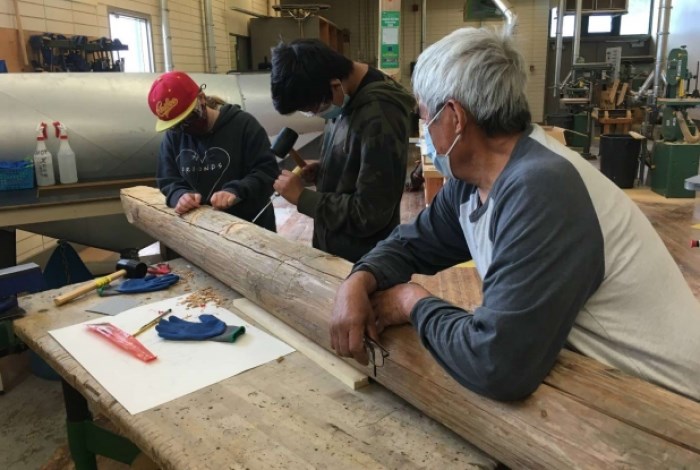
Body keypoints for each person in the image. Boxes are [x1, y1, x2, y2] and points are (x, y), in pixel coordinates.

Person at [330, 26, 700, 401]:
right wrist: (358, 280)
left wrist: (411, 302)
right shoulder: (472, 181)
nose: (423, 131)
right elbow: (412, 244)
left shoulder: (541, 188)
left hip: (673, 409)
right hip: (608, 388)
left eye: (425, 117)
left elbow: (496, 364)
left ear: (455, 117)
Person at [270, 39, 416, 262]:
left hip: (364, 263)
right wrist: (326, 169)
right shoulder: (343, 96)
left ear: (335, 86)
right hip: (336, 248)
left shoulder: (381, 115)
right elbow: (357, 160)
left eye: (312, 109)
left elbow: (369, 213)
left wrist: (303, 198)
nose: (314, 114)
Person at [148, 71, 278, 231]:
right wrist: (180, 195)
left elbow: (268, 172)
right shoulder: (174, 136)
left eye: (189, 119)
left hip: (251, 229)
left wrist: (236, 190)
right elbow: (167, 179)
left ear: (201, 99)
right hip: (201, 233)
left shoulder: (244, 125)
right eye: (177, 125)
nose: (185, 129)